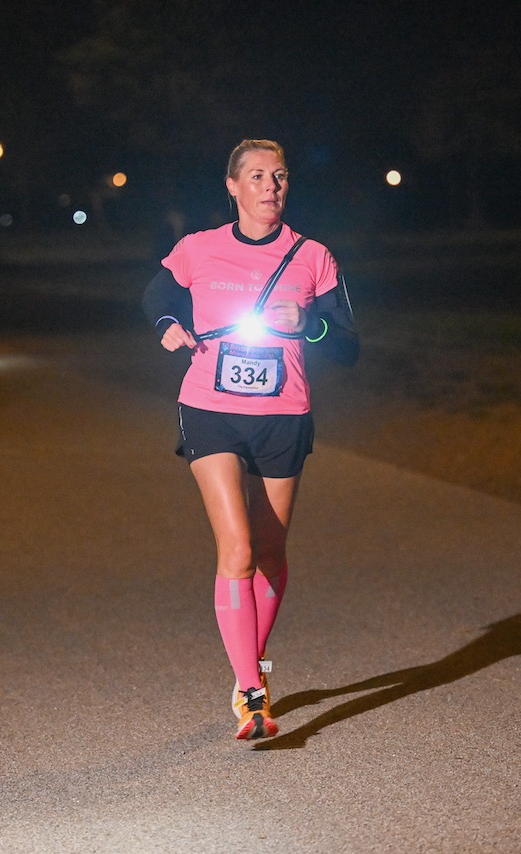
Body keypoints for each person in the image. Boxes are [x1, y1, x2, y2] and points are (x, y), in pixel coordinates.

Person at [141, 139, 359, 740]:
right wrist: (166, 327)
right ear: (232, 187)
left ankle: (245, 670)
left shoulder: (313, 257)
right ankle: (255, 694)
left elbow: (348, 345)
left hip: (283, 415)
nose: (271, 186)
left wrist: (308, 324)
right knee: (235, 547)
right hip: (209, 408)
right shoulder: (198, 248)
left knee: (269, 552)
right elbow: (155, 297)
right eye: (257, 176)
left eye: (280, 176)